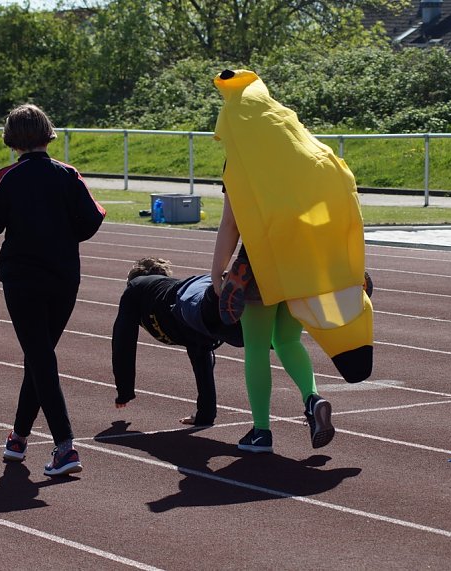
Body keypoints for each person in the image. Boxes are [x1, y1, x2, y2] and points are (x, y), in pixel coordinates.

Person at [211, 69, 375, 454]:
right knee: (286, 339)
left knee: (256, 347)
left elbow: (231, 224)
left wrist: (218, 272)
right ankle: (312, 399)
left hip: (259, 265)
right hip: (304, 263)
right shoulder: (307, 151)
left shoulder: (241, 162)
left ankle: (261, 432)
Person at [0, 103, 106, 476]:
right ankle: (18, 437)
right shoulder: (68, 174)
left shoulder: (7, 178)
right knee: (39, 356)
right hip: (64, 277)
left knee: (41, 358)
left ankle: (65, 446)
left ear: (11, 139)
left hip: (23, 279)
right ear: (48, 133)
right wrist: (63, 235)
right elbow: (94, 218)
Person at [112, 257, 243, 427]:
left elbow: (123, 341)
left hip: (189, 296)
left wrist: (124, 391)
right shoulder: (151, 296)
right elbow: (201, 357)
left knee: (205, 308)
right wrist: (205, 415)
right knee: (248, 338)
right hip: (195, 321)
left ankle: (226, 284)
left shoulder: (135, 288)